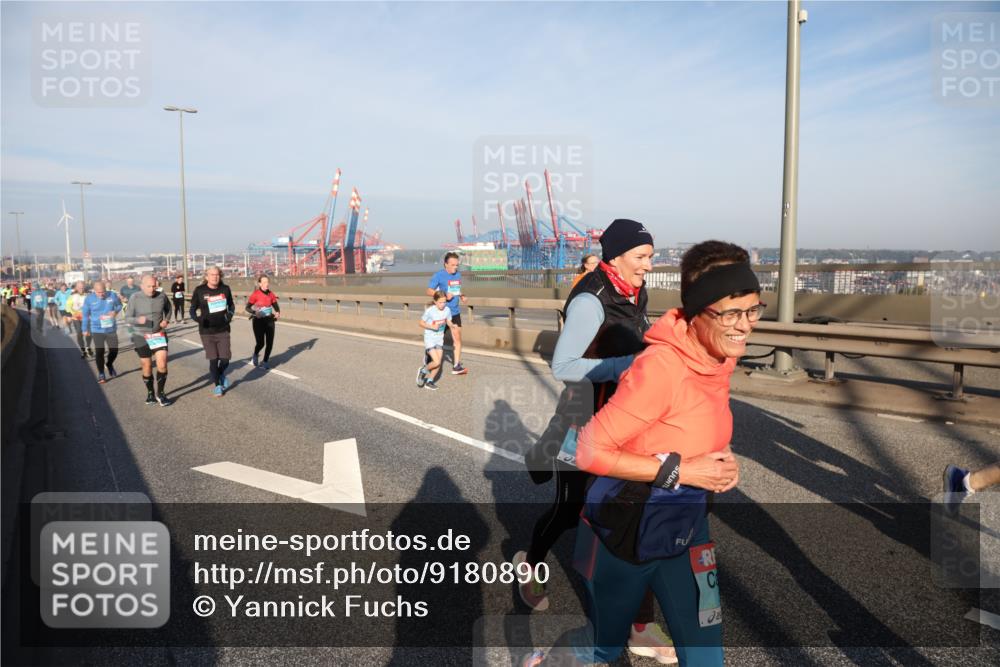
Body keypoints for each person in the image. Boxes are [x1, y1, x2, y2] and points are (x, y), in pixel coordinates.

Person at [529, 241, 764, 667]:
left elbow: (693, 425)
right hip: (625, 530)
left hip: (688, 527)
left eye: (752, 311)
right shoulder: (661, 367)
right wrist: (683, 469)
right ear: (696, 311)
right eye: (730, 313)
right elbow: (588, 450)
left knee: (707, 657)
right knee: (601, 647)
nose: (744, 326)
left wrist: (720, 457)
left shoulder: (719, 359)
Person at [516, 219, 673, 661]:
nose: (649, 264)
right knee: (570, 511)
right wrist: (626, 365)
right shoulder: (592, 297)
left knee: (632, 515)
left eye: (650, 255)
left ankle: (639, 626)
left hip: (625, 418)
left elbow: (638, 338)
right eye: (642, 256)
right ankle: (530, 561)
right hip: (582, 419)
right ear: (616, 256)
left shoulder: (634, 290)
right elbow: (564, 365)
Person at [126, 274, 173, 406]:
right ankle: (150, 393)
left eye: (154, 286)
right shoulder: (135, 297)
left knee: (162, 364)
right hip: (141, 336)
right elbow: (128, 317)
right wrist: (137, 320)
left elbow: (169, 309)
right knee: (146, 365)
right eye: (149, 286)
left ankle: (161, 393)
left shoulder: (161, 296)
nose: (152, 289)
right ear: (142, 286)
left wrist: (166, 320)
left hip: (158, 334)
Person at [190, 266, 235, 397]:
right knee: (213, 360)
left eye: (217, 275)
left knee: (225, 359)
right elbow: (192, 309)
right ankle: (217, 385)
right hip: (206, 331)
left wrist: (229, 315)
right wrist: (197, 319)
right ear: (206, 277)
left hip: (223, 330)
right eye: (212, 275)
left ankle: (220, 374)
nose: (215, 277)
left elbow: (231, 305)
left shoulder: (225, 289)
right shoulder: (199, 290)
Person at [426, 252, 469, 375]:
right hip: (442, 313)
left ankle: (456, 366)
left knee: (458, 339)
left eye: (457, 265)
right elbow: (429, 291)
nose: (456, 267)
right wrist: (444, 295)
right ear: (446, 264)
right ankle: (430, 359)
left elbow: (456, 289)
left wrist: (462, 296)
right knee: (436, 340)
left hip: (455, 312)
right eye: (453, 265)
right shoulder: (439, 275)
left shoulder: (458, 275)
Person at [81, 281, 123, 383]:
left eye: (103, 291)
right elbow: (85, 315)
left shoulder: (112, 295)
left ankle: (109, 364)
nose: (101, 294)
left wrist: (115, 311)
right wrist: (84, 329)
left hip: (110, 328)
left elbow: (119, 305)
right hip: (97, 329)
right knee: (100, 351)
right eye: (99, 292)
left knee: (114, 350)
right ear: (94, 291)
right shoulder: (89, 299)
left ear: (106, 289)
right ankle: (101, 373)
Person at [417, 291, 456, 391]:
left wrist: (451, 325)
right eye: (440, 302)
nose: (443, 305)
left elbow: (448, 320)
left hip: (439, 339)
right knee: (437, 361)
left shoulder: (447, 310)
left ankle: (429, 381)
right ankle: (423, 370)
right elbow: (421, 323)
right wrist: (432, 326)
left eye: (444, 302)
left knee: (438, 363)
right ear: (435, 301)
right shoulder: (430, 311)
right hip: (430, 338)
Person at [245, 274, 280, 369]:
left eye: (267, 282)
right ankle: (255, 355)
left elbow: (276, 306)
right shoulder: (255, 294)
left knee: (270, 342)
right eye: (264, 282)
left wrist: (277, 312)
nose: (266, 284)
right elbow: (247, 307)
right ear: (260, 283)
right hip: (258, 321)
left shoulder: (271, 294)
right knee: (261, 343)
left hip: (269, 320)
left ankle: (265, 361)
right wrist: (255, 312)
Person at [66, 281, 93, 357]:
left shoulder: (89, 294)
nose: (81, 288)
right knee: (79, 333)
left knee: (89, 333)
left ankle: (88, 347)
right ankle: (83, 350)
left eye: (82, 286)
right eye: (79, 286)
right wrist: (72, 314)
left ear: (84, 286)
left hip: (87, 317)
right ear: (76, 287)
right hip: (76, 317)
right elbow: (68, 306)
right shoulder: (72, 296)